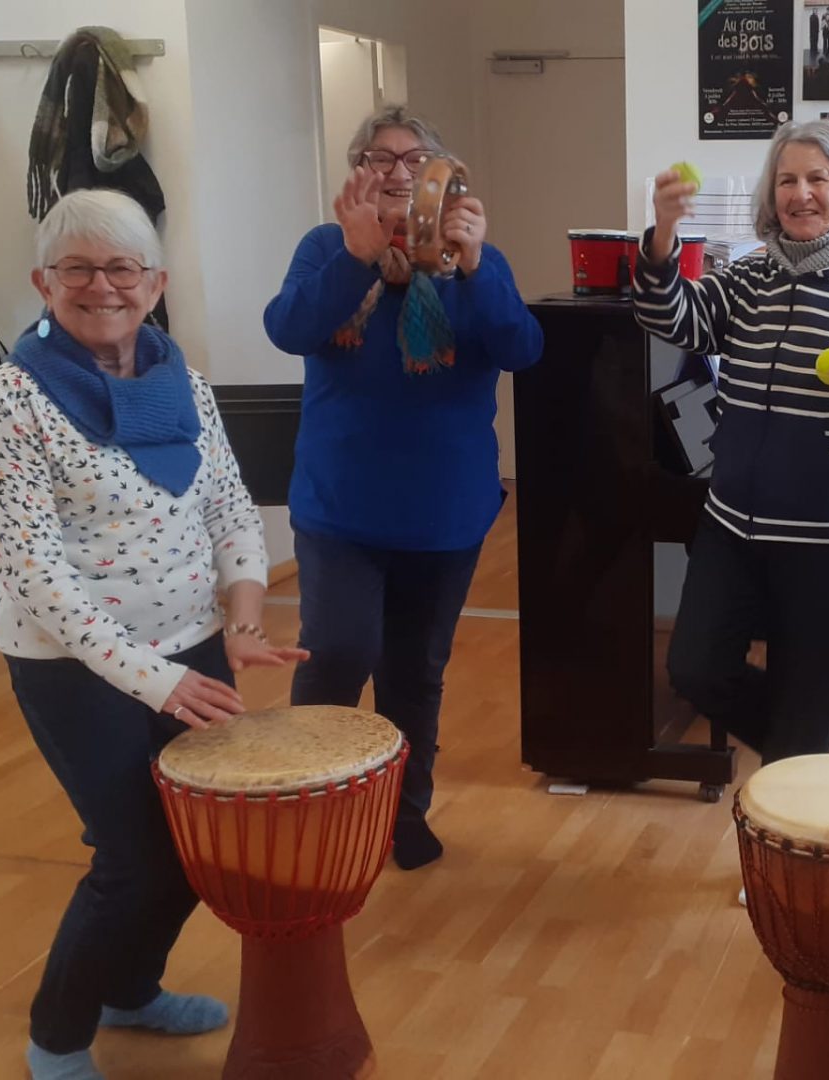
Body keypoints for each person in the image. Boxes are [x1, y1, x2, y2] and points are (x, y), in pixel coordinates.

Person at [0, 189, 308, 1080]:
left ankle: (130, 989)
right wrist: (156, 679)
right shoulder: (9, 402)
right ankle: (57, 1038)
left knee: (196, 846)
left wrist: (241, 619)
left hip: (190, 646)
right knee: (131, 857)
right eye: (77, 268)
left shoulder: (181, 382)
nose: (102, 286)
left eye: (123, 267)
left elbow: (228, 507)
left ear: (155, 284)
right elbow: (37, 578)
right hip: (73, 666)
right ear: (43, 282)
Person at [263, 105, 543, 871]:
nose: (396, 170)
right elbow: (288, 328)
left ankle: (402, 814)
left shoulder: (476, 259)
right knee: (338, 651)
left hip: (443, 511)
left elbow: (521, 347)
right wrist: (356, 258)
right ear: (357, 173)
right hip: (341, 506)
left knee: (415, 672)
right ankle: (315, 811)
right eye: (377, 157)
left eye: (414, 158)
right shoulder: (326, 249)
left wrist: (476, 266)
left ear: (442, 176)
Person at [634, 119, 829, 769]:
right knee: (695, 669)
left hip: (826, 542)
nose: (800, 194)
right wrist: (664, 233)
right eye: (787, 180)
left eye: (818, 179)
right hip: (731, 527)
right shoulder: (750, 276)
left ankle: (800, 775)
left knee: (804, 722)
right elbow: (671, 318)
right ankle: (803, 755)